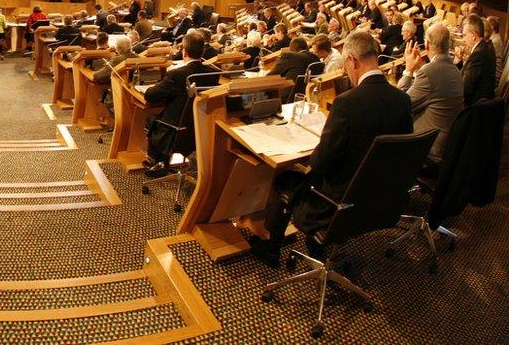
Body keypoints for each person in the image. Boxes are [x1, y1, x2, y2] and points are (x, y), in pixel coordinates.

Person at [249, 31, 413, 266]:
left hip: (337, 203)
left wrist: (301, 160)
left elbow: (319, 163)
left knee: (286, 179)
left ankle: (270, 249)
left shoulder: (348, 102)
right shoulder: (402, 100)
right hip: (378, 200)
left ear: (352, 60)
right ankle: (316, 243)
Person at [142, 32, 219, 175]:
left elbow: (150, 95)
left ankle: (157, 162)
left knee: (151, 119)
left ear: (184, 51)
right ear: (202, 51)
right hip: (200, 130)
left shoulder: (176, 74)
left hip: (176, 132)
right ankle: (162, 162)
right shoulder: (213, 73)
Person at [398, 23, 463, 163]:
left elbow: (401, 105)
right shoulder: (456, 70)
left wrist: (408, 70)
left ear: (426, 44)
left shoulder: (428, 72)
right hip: (447, 145)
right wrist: (419, 68)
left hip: (426, 148)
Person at [455, 13, 496, 106]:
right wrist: (459, 60)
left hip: (474, 108)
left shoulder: (479, 54)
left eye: (465, 35)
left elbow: (464, 89)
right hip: (479, 102)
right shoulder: (483, 47)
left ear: (473, 34)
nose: (464, 39)